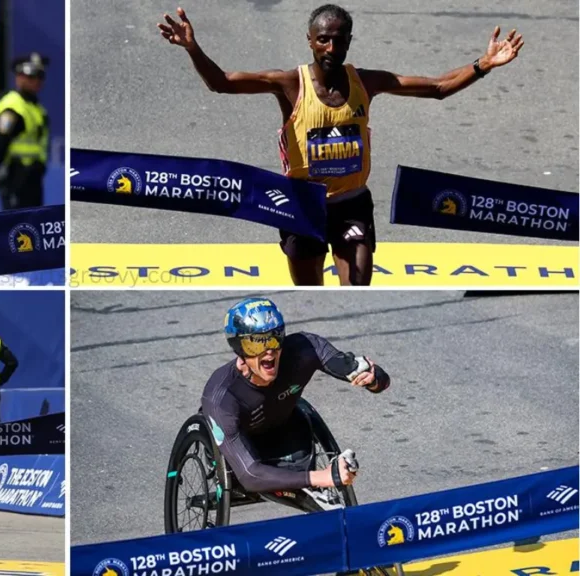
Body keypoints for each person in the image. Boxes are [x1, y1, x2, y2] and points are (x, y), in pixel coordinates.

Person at [157, 5, 524, 286]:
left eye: (339, 39)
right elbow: (221, 82)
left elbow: (437, 88)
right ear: (310, 40)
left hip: (352, 204)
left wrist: (484, 64)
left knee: (357, 285)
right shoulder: (290, 84)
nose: (331, 47)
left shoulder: (366, 81)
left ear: (349, 40)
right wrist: (192, 47)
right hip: (301, 205)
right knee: (311, 292)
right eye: (323, 39)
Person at [200, 298, 391, 495]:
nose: (269, 351)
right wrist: (322, 477)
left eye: (274, 338)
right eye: (256, 344)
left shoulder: (305, 348)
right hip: (240, 456)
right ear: (240, 350)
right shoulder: (221, 398)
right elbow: (250, 475)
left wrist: (373, 378)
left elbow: (380, 382)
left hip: (287, 437)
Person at [0, 53, 50, 210]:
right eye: (31, 77)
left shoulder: (35, 107)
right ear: (19, 78)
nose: (37, 81)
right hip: (14, 175)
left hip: (33, 176)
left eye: (40, 76)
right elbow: (1, 142)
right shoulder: (12, 108)